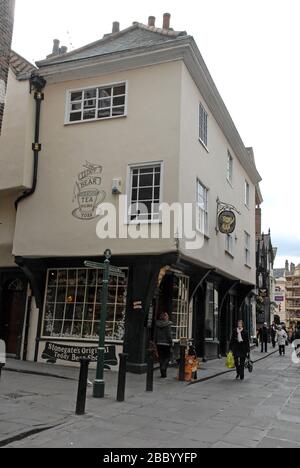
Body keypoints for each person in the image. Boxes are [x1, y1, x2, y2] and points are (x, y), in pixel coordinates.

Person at [154, 312, 173, 378]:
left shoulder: (157, 324)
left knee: (161, 358)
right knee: (167, 357)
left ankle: (163, 374)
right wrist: (171, 342)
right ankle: (164, 367)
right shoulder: (168, 324)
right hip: (166, 343)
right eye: (167, 316)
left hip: (159, 343)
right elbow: (169, 335)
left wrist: (155, 342)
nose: (168, 317)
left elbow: (155, 334)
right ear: (165, 317)